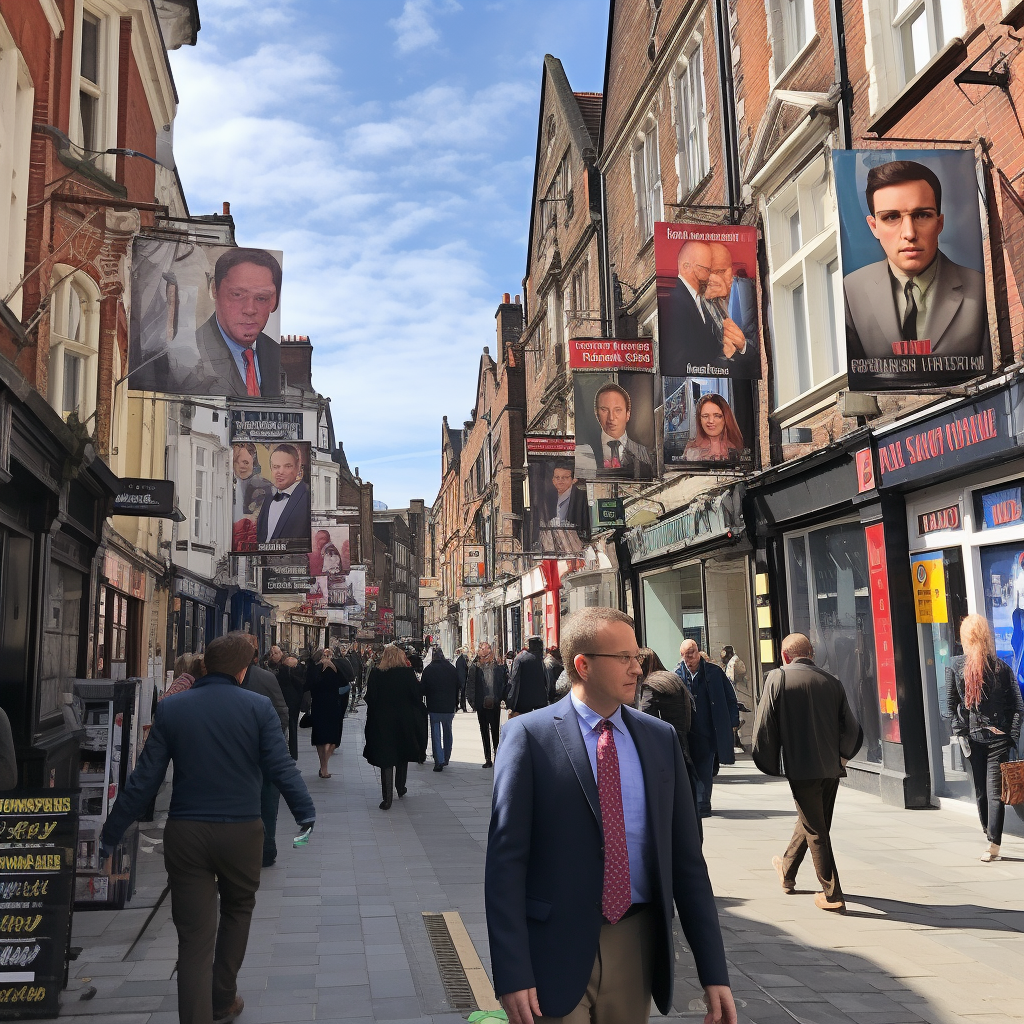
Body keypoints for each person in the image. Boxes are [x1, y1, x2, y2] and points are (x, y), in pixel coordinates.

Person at [485, 607, 736, 1024]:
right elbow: (505, 865)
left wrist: (714, 973)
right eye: (624, 658)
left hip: (635, 944)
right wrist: (512, 972)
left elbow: (688, 863)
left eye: (637, 656)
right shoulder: (528, 737)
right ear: (582, 665)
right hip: (554, 949)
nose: (637, 669)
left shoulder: (659, 739)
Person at [100, 632, 315, 1024]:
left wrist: (112, 832)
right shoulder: (258, 707)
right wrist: (305, 811)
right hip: (241, 831)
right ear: (243, 668)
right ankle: (223, 997)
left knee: (194, 937)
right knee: (237, 910)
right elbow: (280, 766)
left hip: (187, 832)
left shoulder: (174, 708)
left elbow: (145, 779)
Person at [752, 633, 863, 914]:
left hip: (802, 768)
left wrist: (769, 762)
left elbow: (764, 723)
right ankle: (787, 871)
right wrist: (844, 756)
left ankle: (832, 893)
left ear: (785, 655)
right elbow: (852, 727)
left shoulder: (778, 678)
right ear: (811, 654)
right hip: (832, 767)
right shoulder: (831, 681)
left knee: (816, 828)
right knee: (812, 820)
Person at [844, 160, 988, 361]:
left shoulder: (980, 288)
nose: (909, 234)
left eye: (921, 215)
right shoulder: (850, 291)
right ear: (873, 226)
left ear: (939, 223)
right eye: (891, 217)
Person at [946, 614, 1024, 862]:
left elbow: (948, 705)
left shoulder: (995, 668)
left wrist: (961, 731)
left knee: (988, 791)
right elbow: (1017, 706)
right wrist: (1011, 736)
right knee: (984, 791)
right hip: (981, 739)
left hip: (983, 741)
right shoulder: (994, 667)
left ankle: (993, 842)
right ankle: (991, 837)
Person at [184, 248, 283, 398]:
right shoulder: (185, 359)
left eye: (261, 298)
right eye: (237, 295)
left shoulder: (277, 356)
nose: (250, 309)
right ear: (214, 290)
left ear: (274, 302)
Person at [659, 238, 744, 378]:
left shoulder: (699, 299)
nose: (710, 275)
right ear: (686, 266)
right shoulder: (673, 300)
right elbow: (680, 355)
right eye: (705, 269)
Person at [676, 638, 738, 817]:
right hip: (687, 731)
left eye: (692, 653)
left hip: (708, 730)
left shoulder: (714, 672)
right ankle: (693, 803)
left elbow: (730, 697)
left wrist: (732, 721)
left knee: (705, 769)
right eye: (686, 655)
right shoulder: (677, 674)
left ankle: (703, 805)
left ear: (698, 651)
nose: (690, 658)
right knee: (689, 770)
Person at [241, 644, 290, 869]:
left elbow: (281, 711)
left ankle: (262, 846)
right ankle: (261, 846)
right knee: (264, 798)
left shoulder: (264, 678)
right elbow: (282, 711)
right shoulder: (266, 678)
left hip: (251, 751)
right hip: (253, 751)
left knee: (263, 797)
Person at [363, 643, 428, 809]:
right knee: (402, 753)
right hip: (403, 721)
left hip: (382, 721)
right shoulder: (407, 674)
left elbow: (370, 697)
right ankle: (400, 787)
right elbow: (416, 696)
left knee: (386, 757)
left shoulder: (377, 673)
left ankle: (387, 798)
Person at [639, 668, 699, 818]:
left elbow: (645, 718)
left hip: (663, 754)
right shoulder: (672, 681)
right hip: (683, 748)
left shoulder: (652, 686)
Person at [573, 382, 654, 481]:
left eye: (618, 410)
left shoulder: (643, 453)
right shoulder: (583, 451)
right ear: (596, 413)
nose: (611, 417)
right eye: (604, 410)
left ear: (627, 414)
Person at [304, 646, 354, 779]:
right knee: (324, 738)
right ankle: (324, 767)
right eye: (324, 656)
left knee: (327, 739)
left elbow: (346, 681)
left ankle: (323, 765)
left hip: (326, 705)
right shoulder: (317, 670)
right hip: (327, 705)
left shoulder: (334, 668)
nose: (326, 659)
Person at [255, 444, 311, 544]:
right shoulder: (268, 497)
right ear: (271, 469)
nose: (280, 472)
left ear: (298, 467)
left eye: (287, 466)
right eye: (276, 467)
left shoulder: (308, 498)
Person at [467, 642, 507, 768]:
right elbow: (471, 685)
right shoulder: (475, 667)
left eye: (487, 652)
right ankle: (488, 758)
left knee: (495, 730)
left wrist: (501, 698)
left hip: (494, 703)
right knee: (484, 731)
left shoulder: (498, 666)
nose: (485, 654)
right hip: (481, 703)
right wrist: (472, 702)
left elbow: (502, 683)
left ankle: (497, 756)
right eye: (482, 651)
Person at [421, 646, 460, 771]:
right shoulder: (451, 669)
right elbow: (458, 685)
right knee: (448, 731)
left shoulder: (428, 670)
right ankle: (447, 757)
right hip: (449, 706)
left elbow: (423, 689)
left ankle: (439, 760)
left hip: (434, 706)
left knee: (436, 734)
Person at [684, 394, 745, 463]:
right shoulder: (691, 451)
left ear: (726, 418)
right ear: (699, 419)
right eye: (705, 416)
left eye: (717, 416)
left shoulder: (735, 448)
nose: (710, 421)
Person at [268, 645, 302, 760]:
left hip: (290, 700)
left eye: (275, 653)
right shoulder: (271, 665)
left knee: (290, 725)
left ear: (281, 654)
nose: (272, 656)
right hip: (280, 700)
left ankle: (291, 753)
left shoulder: (286, 666)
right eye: (271, 654)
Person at [506, 636, 550, 718]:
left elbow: (514, 681)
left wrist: (510, 703)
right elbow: (547, 682)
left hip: (522, 704)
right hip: (540, 703)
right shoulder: (542, 661)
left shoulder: (520, 659)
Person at [455, 647, 469, 713]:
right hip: (462, 679)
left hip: (460, 678)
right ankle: (462, 706)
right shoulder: (461, 660)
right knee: (462, 693)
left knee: (460, 693)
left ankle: (461, 706)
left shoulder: (459, 660)